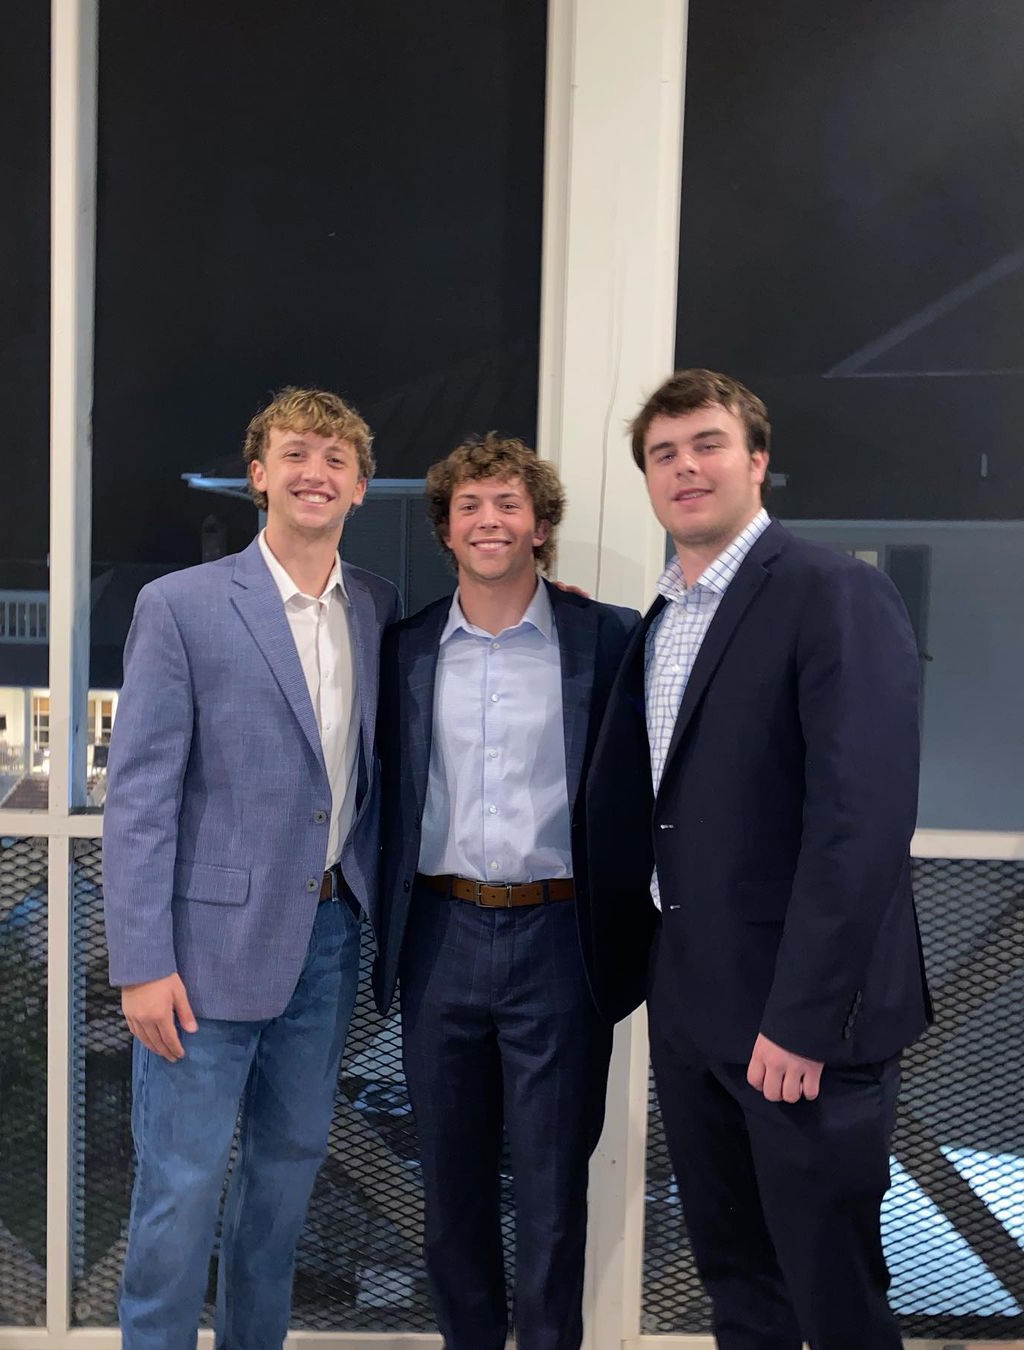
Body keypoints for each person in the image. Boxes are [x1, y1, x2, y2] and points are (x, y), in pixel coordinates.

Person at [585, 369, 932, 1349]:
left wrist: (802, 1021)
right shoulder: (661, 622)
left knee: (834, 1294)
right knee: (737, 1285)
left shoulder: (834, 591)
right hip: (692, 1008)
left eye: (708, 444)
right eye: (664, 453)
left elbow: (860, 823)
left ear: (757, 461)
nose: (685, 468)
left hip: (799, 1020)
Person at [102, 387, 400, 1350]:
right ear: (260, 475)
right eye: (296, 454)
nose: (317, 472)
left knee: (283, 1189)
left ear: (359, 487)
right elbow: (139, 798)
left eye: (337, 459)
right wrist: (141, 962)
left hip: (329, 941)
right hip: (200, 957)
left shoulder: (378, 609)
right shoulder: (181, 606)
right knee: (178, 1192)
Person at [372, 434, 639, 1350]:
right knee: (450, 1194)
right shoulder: (404, 649)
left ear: (540, 526)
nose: (489, 521)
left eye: (509, 504)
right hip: (438, 937)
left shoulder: (608, 639)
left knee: (553, 1195)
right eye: (470, 506)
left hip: (561, 940)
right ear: (446, 530)